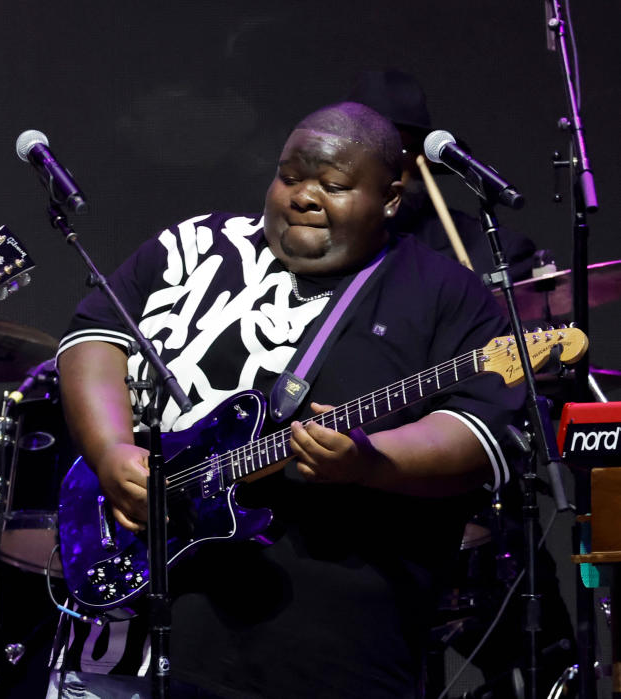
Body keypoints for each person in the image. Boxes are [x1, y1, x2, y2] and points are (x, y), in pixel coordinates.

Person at [50, 102, 526, 698]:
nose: (303, 196)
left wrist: (370, 460)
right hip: (131, 639)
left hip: (326, 654)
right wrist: (110, 450)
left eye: (333, 185)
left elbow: (478, 429)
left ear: (390, 200)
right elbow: (93, 339)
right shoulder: (194, 245)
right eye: (291, 176)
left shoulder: (443, 293)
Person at [347, 68, 576, 699]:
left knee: (537, 638)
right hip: (358, 474)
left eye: (396, 146)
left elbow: (537, 334)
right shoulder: (345, 245)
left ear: (418, 156)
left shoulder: (477, 243)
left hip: (461, 473)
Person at [345, 69, 547, 282]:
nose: (381, 165)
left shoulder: (492, 251)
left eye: (398, 149)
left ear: (423, 157)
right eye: (365, 148)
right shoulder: (320, 247)